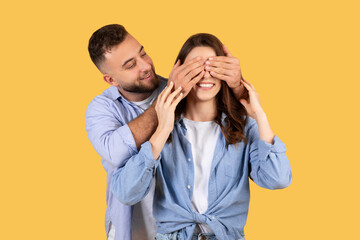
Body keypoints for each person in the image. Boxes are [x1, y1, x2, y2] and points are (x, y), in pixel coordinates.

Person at [111, 33, 292, 240]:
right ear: (179, 72)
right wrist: (162, 130)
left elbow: (278, 178)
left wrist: (258, 113)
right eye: (195, 68)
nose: (205, 75)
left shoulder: (242, 126)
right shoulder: (161, 128)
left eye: (213, 67)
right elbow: (126, 193)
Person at [86, 25, 245, 240]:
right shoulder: (102, 108)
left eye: (142, 53)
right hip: (131, 228)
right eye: (131, 64)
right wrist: (169, 98)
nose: (145, 66)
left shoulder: (183, 90)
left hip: (179, 231)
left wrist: (236, 84)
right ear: (111, 80)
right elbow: (115, 153)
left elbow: (228, 111)